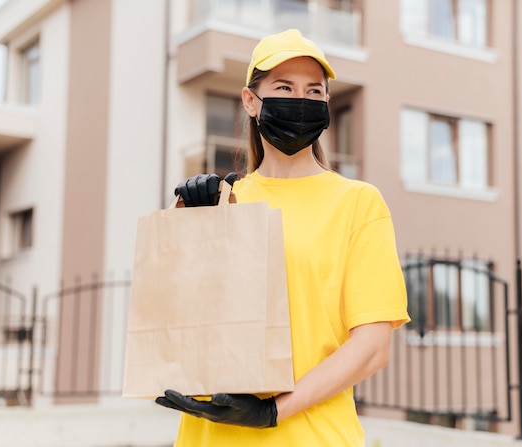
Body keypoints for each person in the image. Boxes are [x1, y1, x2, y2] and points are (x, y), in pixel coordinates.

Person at [155, 28, 410, 446]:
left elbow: (372, 346)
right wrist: (187, 220)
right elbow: (171, 318)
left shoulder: (358, 203)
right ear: (251, 101)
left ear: (327, 104)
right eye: (285, 87)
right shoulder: (222, 201)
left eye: (314, 91)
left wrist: (272, 411)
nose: (301, 100)